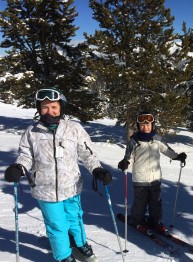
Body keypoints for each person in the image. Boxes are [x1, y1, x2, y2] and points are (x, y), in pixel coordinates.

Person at [4, 87, 112, 262]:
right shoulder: (32, 132)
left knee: (75, 218)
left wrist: (97, 169)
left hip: (71, 186)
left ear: (61, 108)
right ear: (39, 109)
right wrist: (19, 167)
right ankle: (64, 256)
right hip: (45, 189)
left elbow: (87, 154)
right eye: (45, 107)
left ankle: (79, 245)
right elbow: (26, 156)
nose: (49, 111)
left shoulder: (74, 129)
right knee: (57, 225)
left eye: (53, 107)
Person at [118, 112, 187, 234]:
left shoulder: (157, 139)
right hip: (140, 179)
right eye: (143, 125)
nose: (145, 127)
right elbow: (129, 157)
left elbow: (167, 150)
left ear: (152, 125)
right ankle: (137, 221)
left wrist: (177, 157)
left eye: (148, 125)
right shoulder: (134, 141)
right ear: (139, 126)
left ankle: (155, 222)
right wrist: (125, 163)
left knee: (156, 203)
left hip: (155, 178)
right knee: (140, 203)